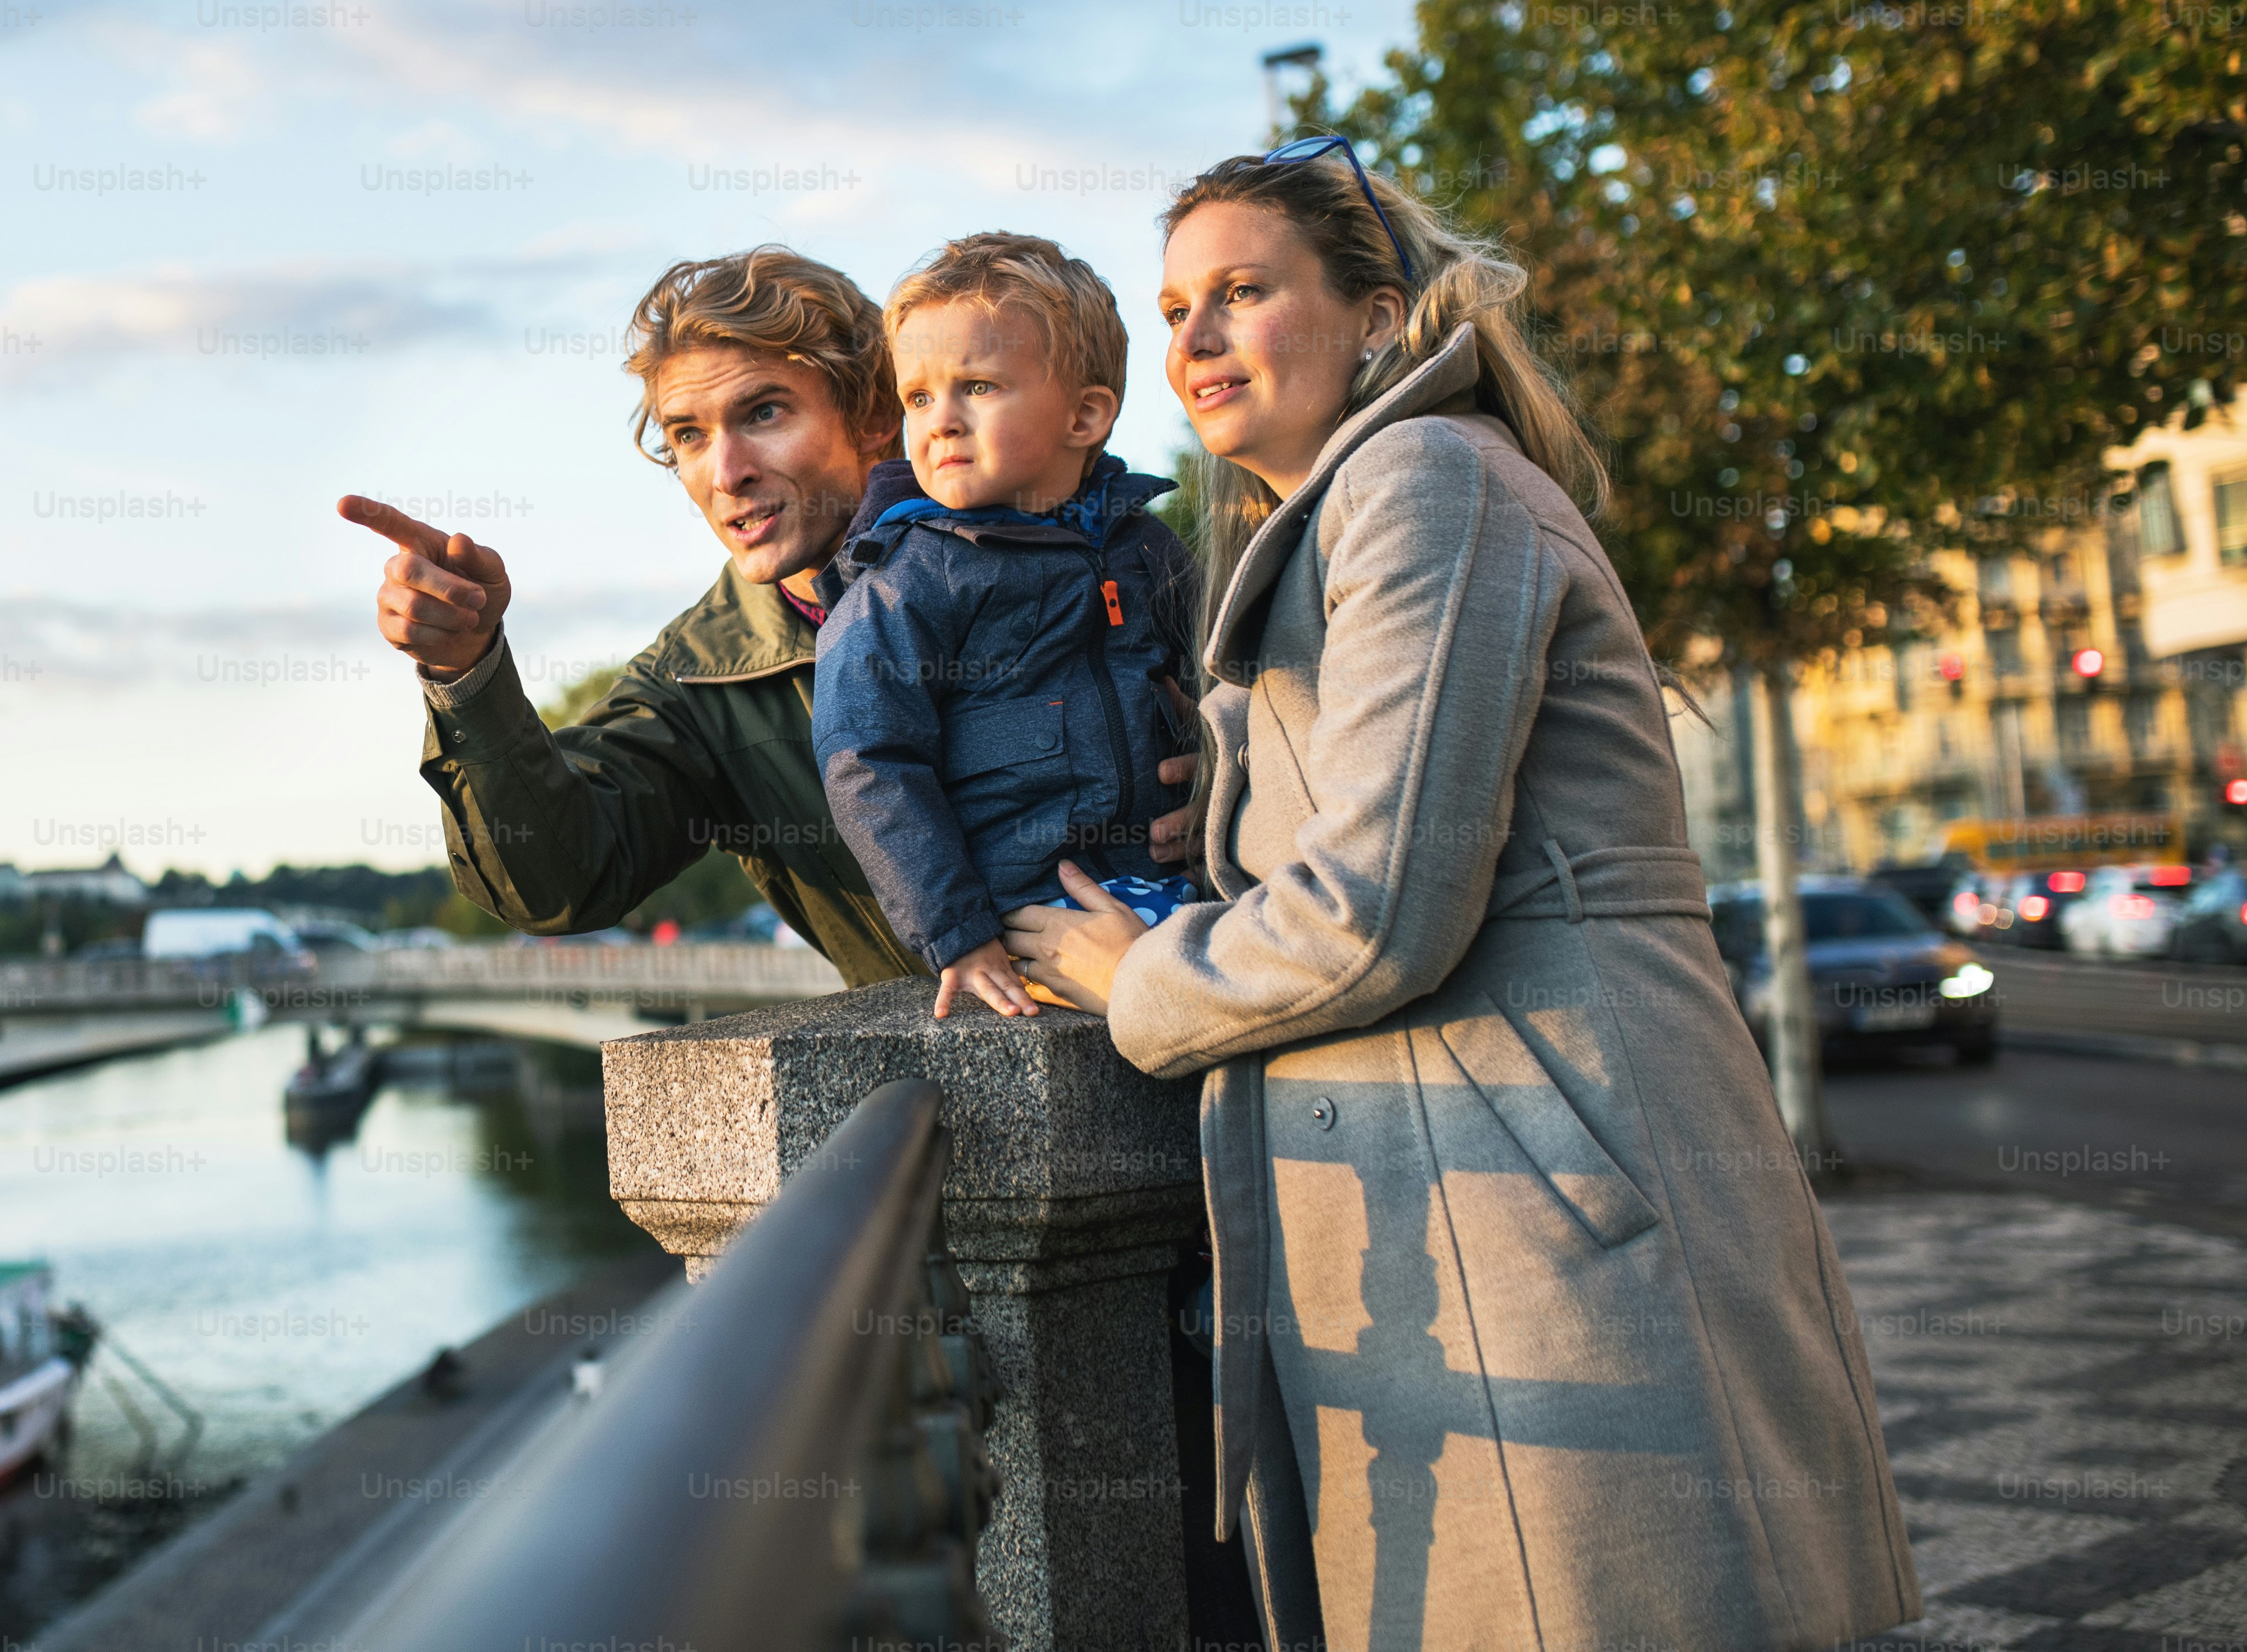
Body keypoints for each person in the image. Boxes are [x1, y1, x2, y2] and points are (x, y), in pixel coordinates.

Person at [1003, 140, 1920, 1651]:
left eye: (1244, 291)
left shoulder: (1422, 477)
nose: (1195, 340)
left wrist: (1138, 978)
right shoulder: (1352, 515)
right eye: (1174, 311)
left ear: (1377, 316)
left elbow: (1377, 904)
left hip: (1546, 1195)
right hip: (1486, 1190)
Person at [340, 245, 1201, 983]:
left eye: (763, 414)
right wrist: (468, 673)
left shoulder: (1123, 542)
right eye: (686, 435)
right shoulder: (704, 681)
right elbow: (556, 879)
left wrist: (1238, 797)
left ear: (871, 415)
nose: (727, 471)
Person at [812, 232, 1199, 1020]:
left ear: (1086, 415)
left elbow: (1235, 691)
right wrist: (958, 934)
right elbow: (869, 760)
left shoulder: (1148, 549)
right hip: (1026, 923)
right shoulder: (908, 579)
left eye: (978, 387)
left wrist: (1223, 790)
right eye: (918, 397)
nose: (939, 422)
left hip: (1179, 893)